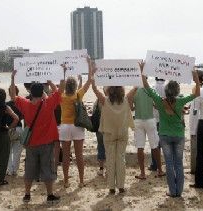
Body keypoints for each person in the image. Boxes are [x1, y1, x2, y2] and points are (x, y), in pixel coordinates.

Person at [142, 63, 200, 197]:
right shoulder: (180, 101)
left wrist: (142, 71)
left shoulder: (159, 100)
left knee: (168, 164)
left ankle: (172, 191)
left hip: (165, 135)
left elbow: (146, 86)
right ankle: (178, 192)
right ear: (177, 91)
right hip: (179, 135)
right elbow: (197, 92)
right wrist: (195, 76)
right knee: (178, 164)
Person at [10, 67, 65, 204]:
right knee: (47, 168)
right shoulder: (48, 104)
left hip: (31, 144)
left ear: (30, 93)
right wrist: (62, 73)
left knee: (29, 169)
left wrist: (12, 78)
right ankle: (50, 195)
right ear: (42, 93)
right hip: (46, 143)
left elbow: (12, 95)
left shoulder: (25, 104)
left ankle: (27, 195)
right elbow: (60, 90)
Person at [92, 71, 134, 195]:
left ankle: (111, 187)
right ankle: (121, 186)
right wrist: (140, 70)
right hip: (122, 133)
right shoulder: (126, 100)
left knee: (110, 159)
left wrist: (92, 72)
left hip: (109, 133)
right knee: (121, 159)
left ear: (109, 90)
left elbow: (94, 88)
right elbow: (137, 86)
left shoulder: (105, 101)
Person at [59, 58, 94, 188]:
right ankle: (81, 181)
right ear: (75, 86)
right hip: (77, 126)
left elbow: (58, 85)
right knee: (79, 155)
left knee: (66, 156)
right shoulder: (78, 95)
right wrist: (89, 65)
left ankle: (66, 181)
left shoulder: (61, 96)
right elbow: (89, 81)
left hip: (64, 127)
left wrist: (63, 72)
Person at [128, 84, 164, 180]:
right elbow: (157, 105)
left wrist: (137, 106)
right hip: (150, 120)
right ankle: (160, 170)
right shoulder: (150, 90)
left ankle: (143, 173)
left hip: (138, 120)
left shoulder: (134, 90)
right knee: (155, 146)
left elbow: (130, 107)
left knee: (140, 147)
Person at [148, 77, 166, 172]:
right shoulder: (167, 88)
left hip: (153, 118)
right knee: (165, 141)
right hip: (164, 118)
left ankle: (154, 164)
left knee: (154, 142)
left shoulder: (152, 87)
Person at [6, 86, 24, 176]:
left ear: (9, 93)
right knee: (17, 151)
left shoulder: (6, 105)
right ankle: (15, 170)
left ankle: (9, 170)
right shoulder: (22, 104)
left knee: (8, 151)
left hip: (9, 128)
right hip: (19, 128)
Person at [188, 71, 203, 174]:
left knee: (198, 144)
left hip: (197, 119)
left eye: (194, 76)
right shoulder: (196, 88)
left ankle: (197, 167)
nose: (193, 77)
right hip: (196, 117)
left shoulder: (199, 89)